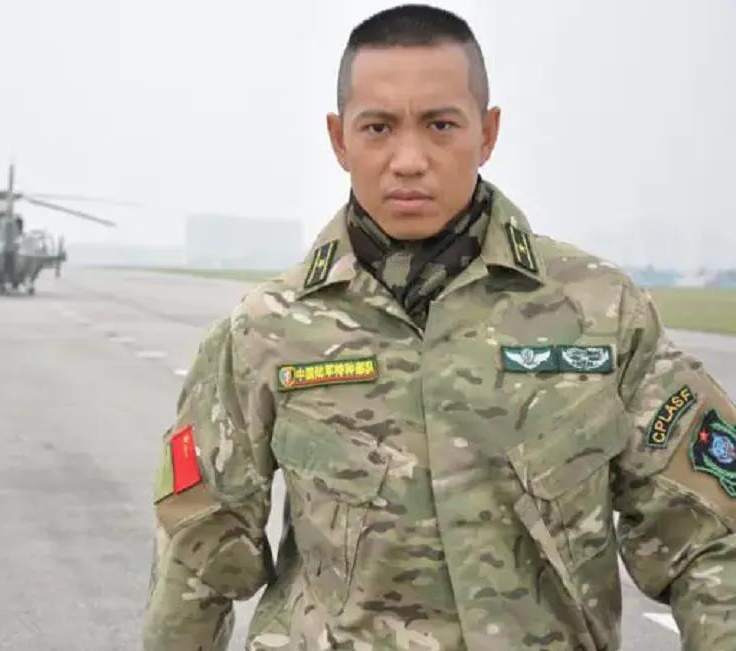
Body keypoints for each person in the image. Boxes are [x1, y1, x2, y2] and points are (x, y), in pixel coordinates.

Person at [142, 5, 736, 650]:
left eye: (440, 125)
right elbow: (195, 559)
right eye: (378, 127)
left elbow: (711, 540)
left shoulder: (600, 313)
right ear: (339, 140)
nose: (408, 159)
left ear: (488, 132)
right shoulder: (266, 330)